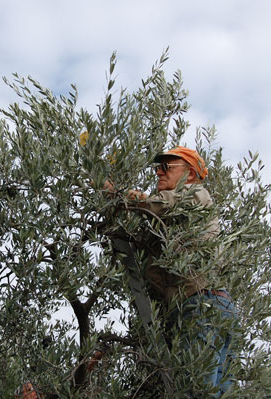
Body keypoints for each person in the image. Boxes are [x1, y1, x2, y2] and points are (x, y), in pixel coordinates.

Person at [106, 146, 236, 396]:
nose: (158, 172)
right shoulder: (172, 221)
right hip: (210, 307)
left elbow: (157, 205)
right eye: (157, 167)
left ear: (188, 174)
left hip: (201, 307)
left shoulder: (194, 193)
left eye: (167, 167)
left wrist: (117, 194)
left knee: (196, 391)